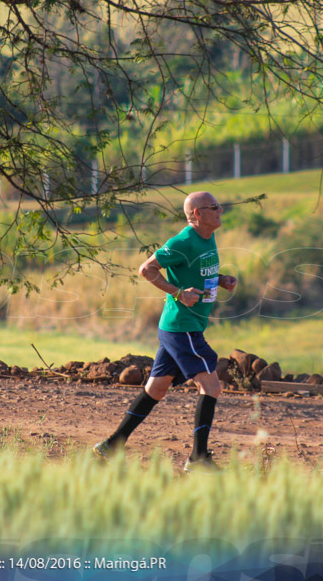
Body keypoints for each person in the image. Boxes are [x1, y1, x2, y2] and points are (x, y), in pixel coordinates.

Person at [94, 191, 237, 471]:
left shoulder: (208, 237)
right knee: (211, 386)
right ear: (197, 214)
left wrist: (219, 279)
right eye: (214, 207)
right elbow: (146, 269)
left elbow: (193, 271)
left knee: (156, 389)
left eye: (219, 205)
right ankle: (198, 458)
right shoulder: (183, 241)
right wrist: (177, 293)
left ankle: (111, 446)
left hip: (183, 326)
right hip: (181, 328)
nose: (221, 209)